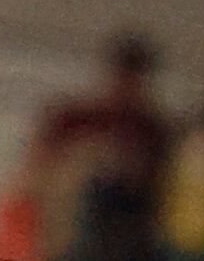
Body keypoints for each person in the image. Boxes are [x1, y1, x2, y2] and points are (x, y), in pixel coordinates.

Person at [29, 33, 173, 261]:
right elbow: (40, 164)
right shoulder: (78, 118)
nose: (127, 86)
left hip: (124, 234)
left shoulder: (151, 130)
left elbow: (157, 185)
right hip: (68, 232)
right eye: (123, 76)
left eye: (133, 78)